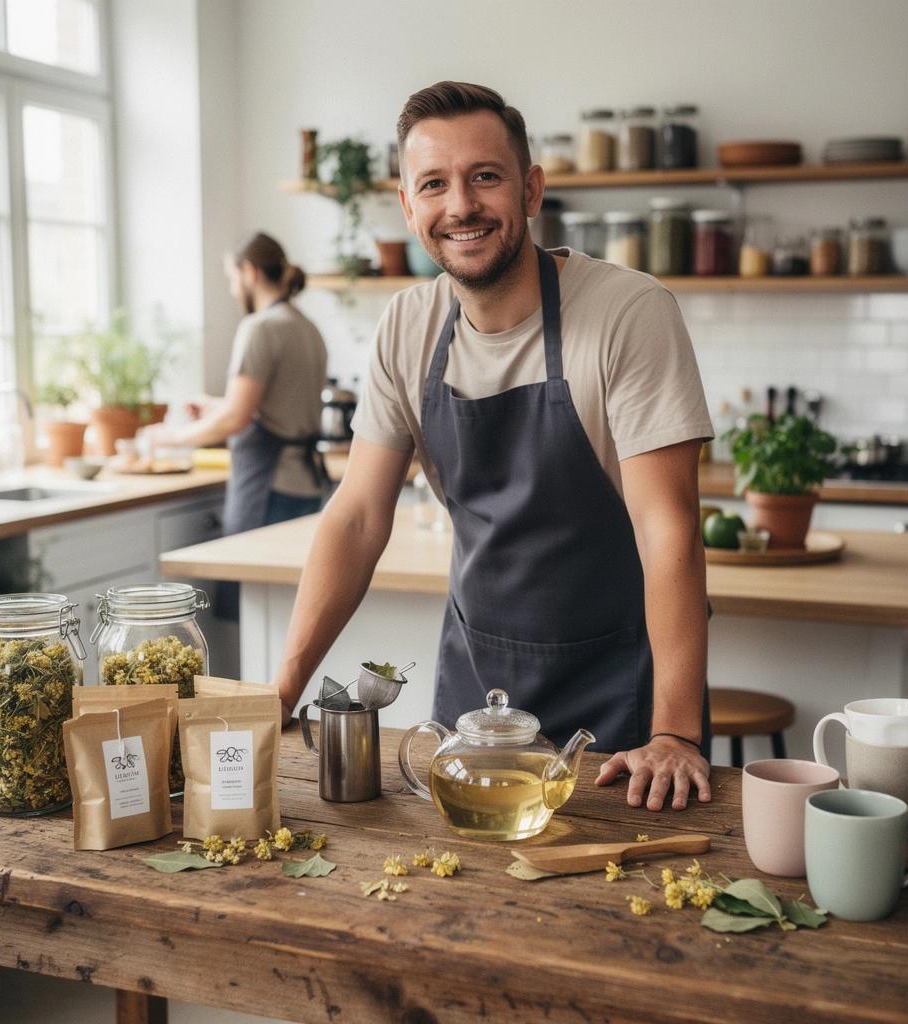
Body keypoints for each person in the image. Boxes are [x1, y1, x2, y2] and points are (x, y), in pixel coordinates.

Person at [274, 82, 715, 813]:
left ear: (531, 189)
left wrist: (675, 732)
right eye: (434, 185)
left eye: (485, 177)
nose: (462, 206)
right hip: (475, 693)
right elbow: (356, 516)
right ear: (409, 207)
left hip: (620, 705)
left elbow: (668, 528)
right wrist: (282, 689)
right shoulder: (407, 326)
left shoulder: (629, 313)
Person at [143, 232, 329, 534]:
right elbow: (279, 406)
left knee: (244, 581)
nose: (232, 289)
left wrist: (171, 437)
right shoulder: (306, 328)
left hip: (270, 486)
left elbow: (236, 418)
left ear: (250, 272)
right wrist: (215, 405)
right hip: (305, 484)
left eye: (232, 277)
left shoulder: (260, 328)